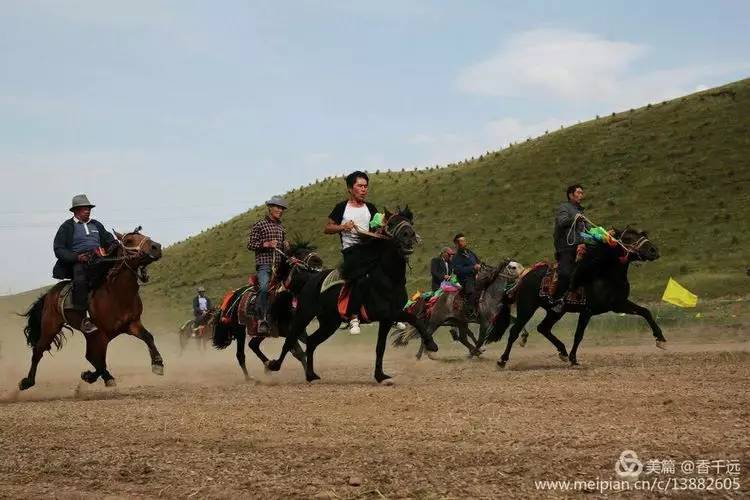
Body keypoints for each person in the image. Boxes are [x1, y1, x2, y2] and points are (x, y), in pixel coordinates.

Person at [53, 194, 116, 334]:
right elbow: (59, 249)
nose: (87, 211)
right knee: (80, 280)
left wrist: (113, 246)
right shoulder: (67, 227)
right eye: (84, 208)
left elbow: (110, 240)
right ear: (75, 210)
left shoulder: (96, 224)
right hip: (80, 261)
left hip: (100, 259)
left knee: (118, 274)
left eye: (88, 208)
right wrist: (76, 257)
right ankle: (83, 319)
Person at [324, 171, 378, 335]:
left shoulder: (370, 208)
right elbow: (327, 228)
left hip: (369, 250)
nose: (364, 189)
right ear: (350, 188)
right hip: (351, 252)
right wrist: (342, 227)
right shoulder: (342, 207)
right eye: (360, 186)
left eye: (365, 186)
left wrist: (374, 231)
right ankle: (353, 317)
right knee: (360, 279)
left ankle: (391, 312)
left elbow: (377, 227)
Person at [247, 195, 289, 335]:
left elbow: (283, 249)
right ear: (270, 207)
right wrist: (266, 244)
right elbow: (250, 244)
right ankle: (262, 320)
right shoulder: (259, 225)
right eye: (277, 207)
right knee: (264, 288)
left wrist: (286, 246)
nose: (280, 210)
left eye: (282, 208)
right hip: (264, 265)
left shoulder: (281, 227)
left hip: (279, 266)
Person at [550, 184, 591, 313]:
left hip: (580, 246)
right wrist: (575, 218)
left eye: (582, 193)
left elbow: (584, 233)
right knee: (566, 273)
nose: (581, 195)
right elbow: (562, 222)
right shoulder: (564, 208)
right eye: (578, 193)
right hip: (566, 247)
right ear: (570, 195)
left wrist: (600, 235)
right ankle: (559, 300)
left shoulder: (581, 212)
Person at [452, 233, 481, 319]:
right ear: (457, 244)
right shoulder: (456, 257)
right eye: (462, 241)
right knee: (471, 290)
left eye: (465, 240)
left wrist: (479, 265)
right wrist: (473, 268)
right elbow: (457, 270)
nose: (465, 242)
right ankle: (470, 310)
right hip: (465, 279)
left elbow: (478, 261)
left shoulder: (470, 252)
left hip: (476, 275)